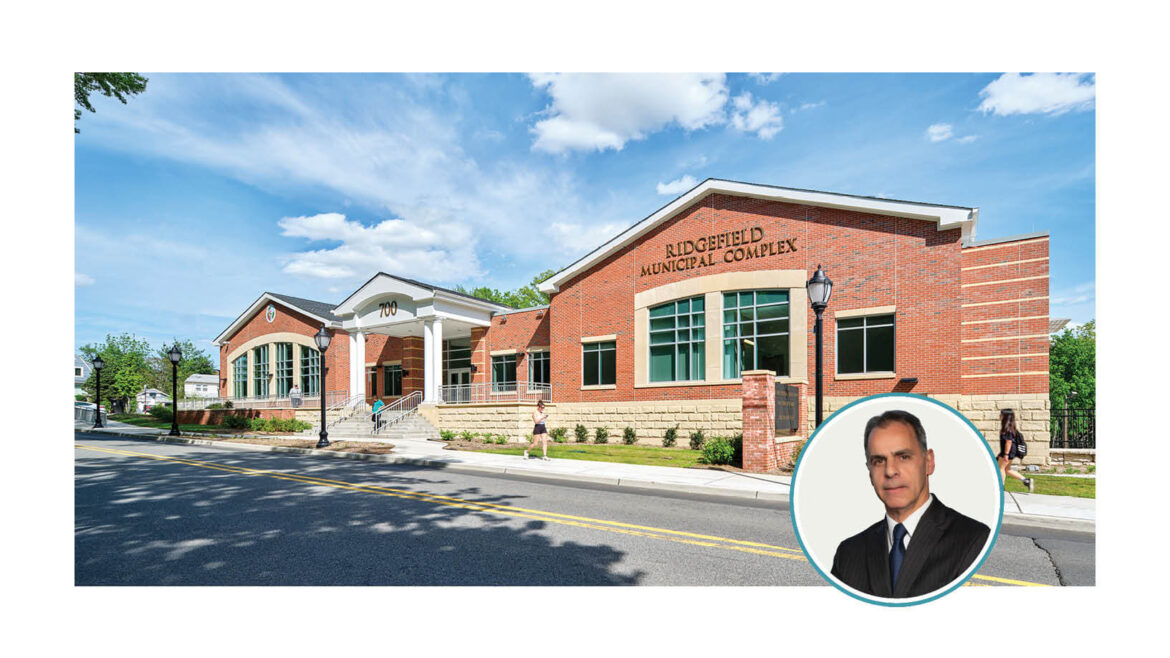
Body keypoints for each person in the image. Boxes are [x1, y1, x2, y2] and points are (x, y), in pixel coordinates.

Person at [830, 409, 990, 599]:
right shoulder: (848, 553)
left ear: (928, 462)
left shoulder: (975, 541)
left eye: (903, 457)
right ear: (869, 472)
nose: (890, 471)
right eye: (879, 461)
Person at [999, 409, 1034, 493]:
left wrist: (1006, 454)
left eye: (1001, 414)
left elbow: (1009, 442)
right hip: (1010, 451)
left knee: (1001, 468)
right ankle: (1026, 481)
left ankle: (1001, 488)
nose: (999, 416)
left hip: (1008, 451)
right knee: (1007, 469)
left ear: (1006, 417)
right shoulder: (1010, 427)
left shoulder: (1007, 428)